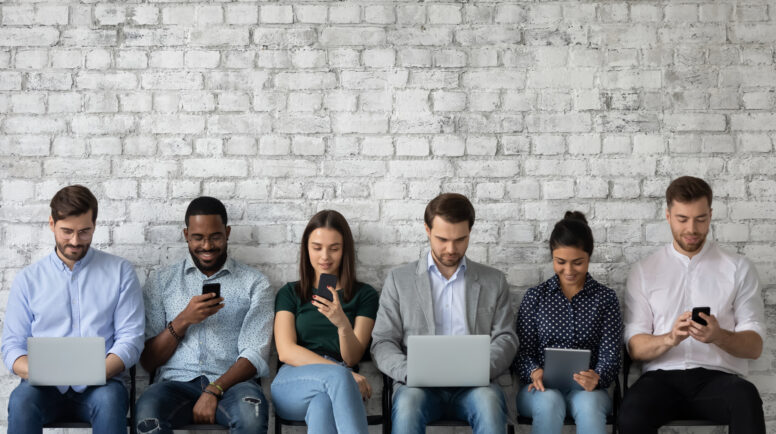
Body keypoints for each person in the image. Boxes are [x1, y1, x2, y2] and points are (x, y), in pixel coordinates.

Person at [618, 176, 766, 433]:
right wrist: (670, 338)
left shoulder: (738, 268)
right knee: (631, 412)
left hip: (717, 379)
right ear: (668, 216)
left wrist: (718, 336)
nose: (692, 229)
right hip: (661, 380)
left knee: (746, 398)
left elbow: (754, 347)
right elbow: (635, 348)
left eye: (700, 219)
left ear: (710, 215)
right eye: (682, 219)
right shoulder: (644, 271)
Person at [1, 185, 145, 433]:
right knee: (21, 402)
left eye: (84, 232)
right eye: (67, 231)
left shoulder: (120, 272)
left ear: (95, 225)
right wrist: (43, 372)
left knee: (110, 402)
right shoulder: (28, 279)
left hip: (102, 384)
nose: (75, 241)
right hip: (42, 388)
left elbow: (130, 339)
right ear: (52, 224)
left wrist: (94, 372)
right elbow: (12, 346)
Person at [371, 193, 518, 434]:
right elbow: (382, 341)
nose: (451, 249)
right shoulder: (399, 280)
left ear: (470, 232)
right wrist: (410, 373)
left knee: (489, 403)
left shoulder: (494, 281)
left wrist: (481, 370)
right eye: (442, 239)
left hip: (477, 387)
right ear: (427, 230)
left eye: (460, 239)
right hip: (418, 388)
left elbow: (506, 337)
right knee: (407, 405)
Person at [135, 196, 274, 434]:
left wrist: (214, 389)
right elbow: (148, 361)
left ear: (227, 233)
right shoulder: (161, 281)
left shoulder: (255, 284)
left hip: (233, 386)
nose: (207, 246)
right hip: (175, 385)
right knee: (147, 417)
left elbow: (254, 354)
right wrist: (183, 320)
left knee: (251, 418)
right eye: (198, 237)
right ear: (186, 235)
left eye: (215, 237)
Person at [271, 210, 379, 432]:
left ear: (345, 250)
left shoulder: (364, 295)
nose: (325, 257)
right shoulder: (290, 293)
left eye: (334, 249)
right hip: (293, 380)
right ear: (306, 249)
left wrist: (342, 324)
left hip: (338, 386)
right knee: (338, 378)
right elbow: (286, 351)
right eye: (317, 247)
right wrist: (344, 374)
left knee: (323, 405)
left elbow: (352, 358)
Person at [514, 211, 622, 434]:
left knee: (589, 406)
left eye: (578, 263)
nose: (569, 271)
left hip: (588, 391)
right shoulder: (535, 297)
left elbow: (611, 355)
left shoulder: (605, 298)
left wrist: (597, 376)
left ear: (589, 257)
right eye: (560, 262)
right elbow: (521, 353)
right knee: (550, 401)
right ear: (552, 257)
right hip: (540, 390)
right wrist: (534, 372)